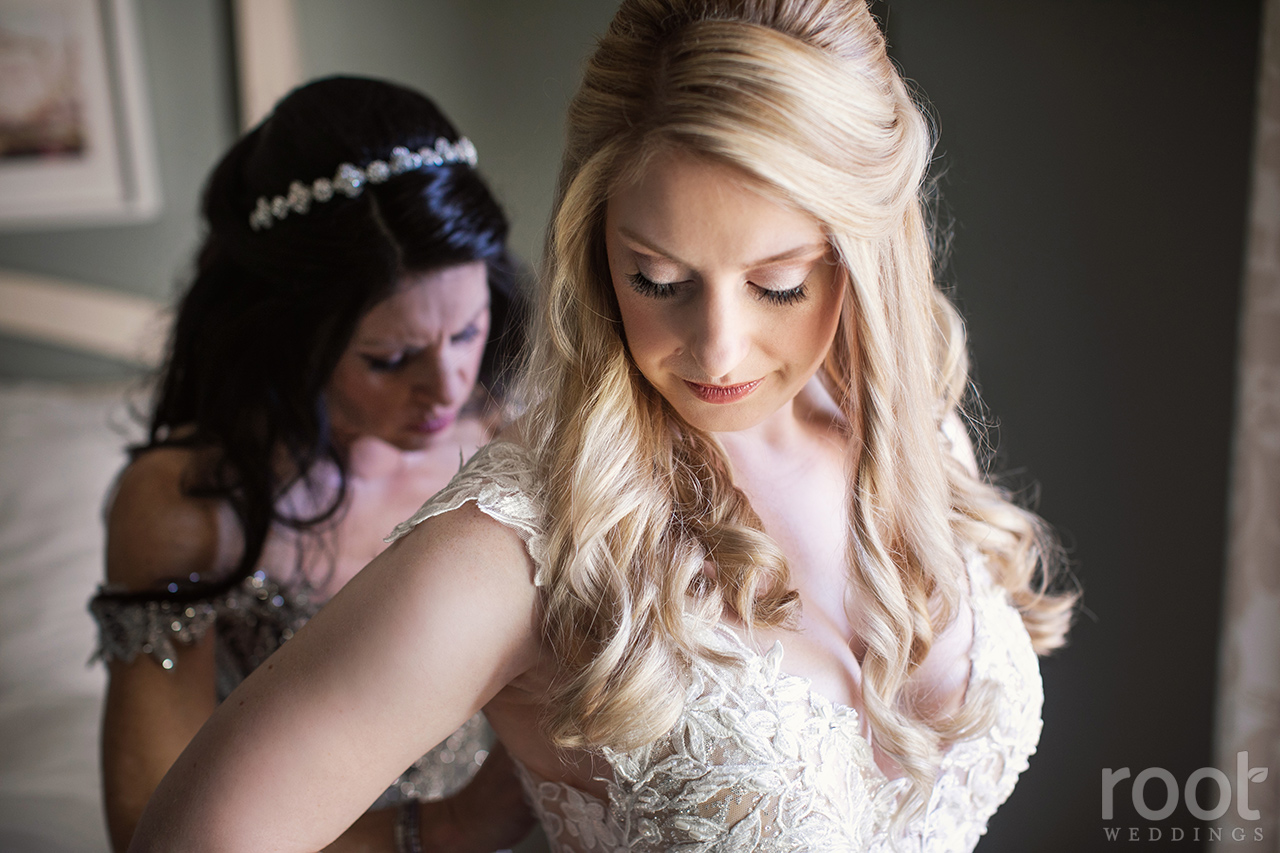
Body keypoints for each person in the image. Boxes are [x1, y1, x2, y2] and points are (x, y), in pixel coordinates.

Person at [127, 3, 1076, 851]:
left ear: (866, 249)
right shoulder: (521, 547)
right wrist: (451, 825)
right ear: (595, 248)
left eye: (779, 283)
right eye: (656, 280)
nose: (717, 350)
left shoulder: (910, 432)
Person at [91, 76, 533, 853]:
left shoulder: (515, 453)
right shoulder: (188, 504)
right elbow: (150, 832)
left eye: (467, 332)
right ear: (292, 338)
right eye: (391, 357)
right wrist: (446, 827)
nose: (448, 386)